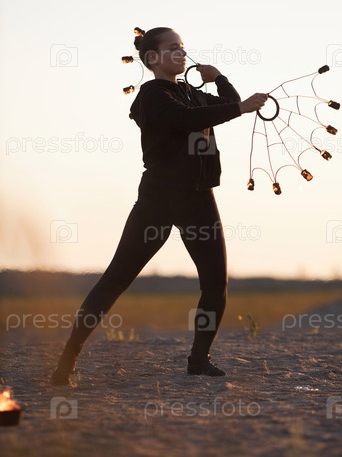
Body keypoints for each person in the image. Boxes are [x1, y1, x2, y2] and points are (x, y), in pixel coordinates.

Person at [51, 27, 268, 385]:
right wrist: (239, 107)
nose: (181, 53)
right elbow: (188, 119)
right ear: (152, 58)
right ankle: (67, 359)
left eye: (183, 47)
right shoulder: (151, 96)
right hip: (159, 200)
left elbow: (224, 106)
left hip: (199, 199)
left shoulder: (190, 94)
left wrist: (219, 79)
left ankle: (198, 360)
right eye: (173, 48)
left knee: (216, 284)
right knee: (116, 279)